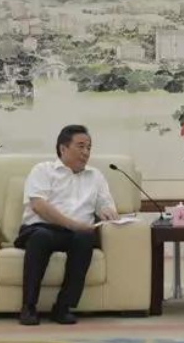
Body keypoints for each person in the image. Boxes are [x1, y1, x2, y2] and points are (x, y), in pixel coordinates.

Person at [15, 124, 119, 325]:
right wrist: (73, 225)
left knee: (85, 239)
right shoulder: (43, 170)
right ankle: (28, 306)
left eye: (89, 147)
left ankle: (63, 307)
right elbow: (38, 206)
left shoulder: (95, 176)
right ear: (63, 148)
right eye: (80, 146)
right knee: (41, 237)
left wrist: (107, 211)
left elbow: (105, 205)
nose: (86, 152)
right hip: (41, 228)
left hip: (76, 234)